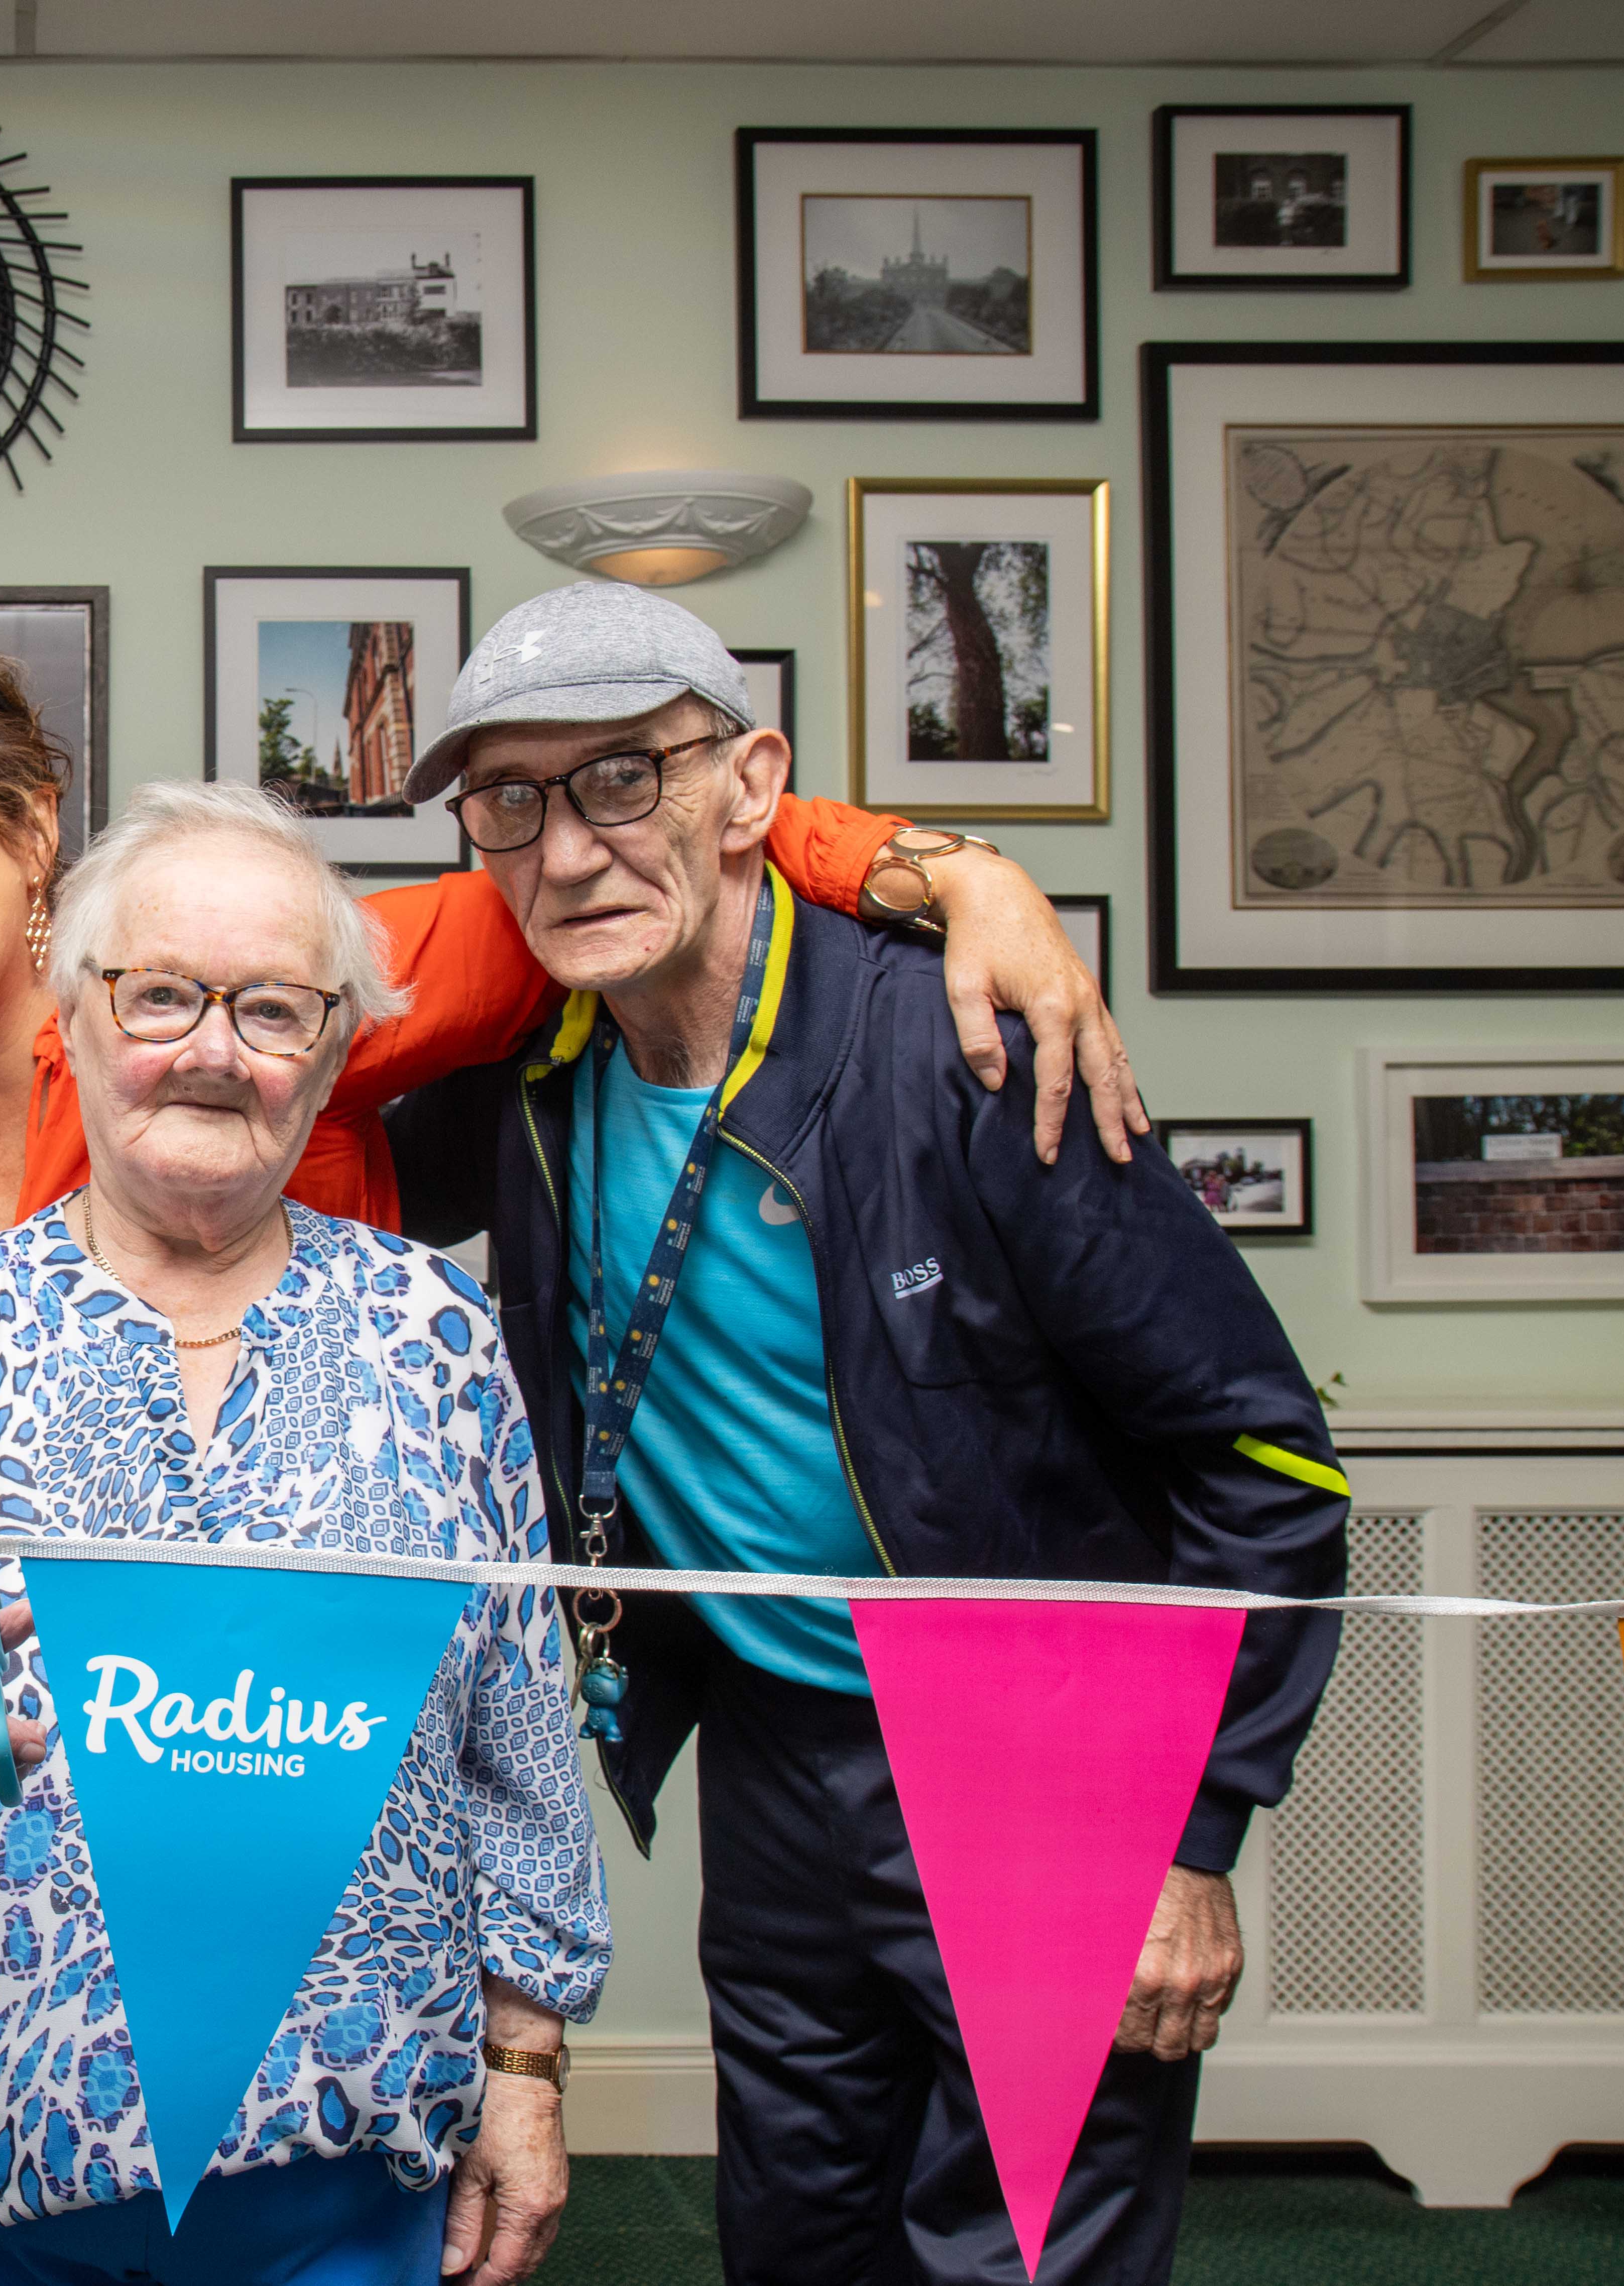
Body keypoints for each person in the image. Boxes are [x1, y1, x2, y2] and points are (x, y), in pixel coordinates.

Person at [384, 583, 1350, 2285]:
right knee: (799, 2247)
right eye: (511, 803)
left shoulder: (970, 1041)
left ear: (749, 787)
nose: (567, 849)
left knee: (1019, 2260)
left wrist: (1186, 1836)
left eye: (622, 780)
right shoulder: (529, 1079)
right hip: (773, 1751)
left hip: (1040, 1769)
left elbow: (1262, 1468)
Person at [0, 780, 605, 2285]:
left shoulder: (436, 1333)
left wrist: (526, 2074)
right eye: (162, 994)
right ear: (76, 1011)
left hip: (345, 2175)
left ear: (329, 1055)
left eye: (270, 1010)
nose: (208, 1049)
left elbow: (516, 1737)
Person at [0, 606, 1148, 1515]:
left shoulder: (253, 989)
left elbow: (610, 860)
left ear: (31, 834)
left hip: (335, 1696)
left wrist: (947, 870)